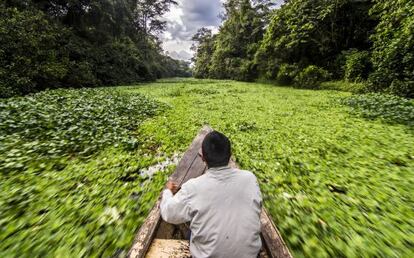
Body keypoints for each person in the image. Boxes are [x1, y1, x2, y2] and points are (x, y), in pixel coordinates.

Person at [160, 131, 262, 258]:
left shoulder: (192, 187)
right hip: (250, 255)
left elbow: (168, 214)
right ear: (230, 155)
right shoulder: (250, 178)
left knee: (190, 224)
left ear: (203, 158)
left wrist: (168, 192)